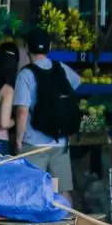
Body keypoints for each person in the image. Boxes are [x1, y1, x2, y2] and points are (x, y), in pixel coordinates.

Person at [14, 28, 82, 200]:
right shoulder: (61, 68)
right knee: (59, 189)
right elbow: (77, 82)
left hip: (34, 145)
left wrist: (17, 140)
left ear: (27, 48)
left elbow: (22, 112)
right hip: (59, 143)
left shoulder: (26, 74)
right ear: (50, 46)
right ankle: (66, 224)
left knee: (32, 190)